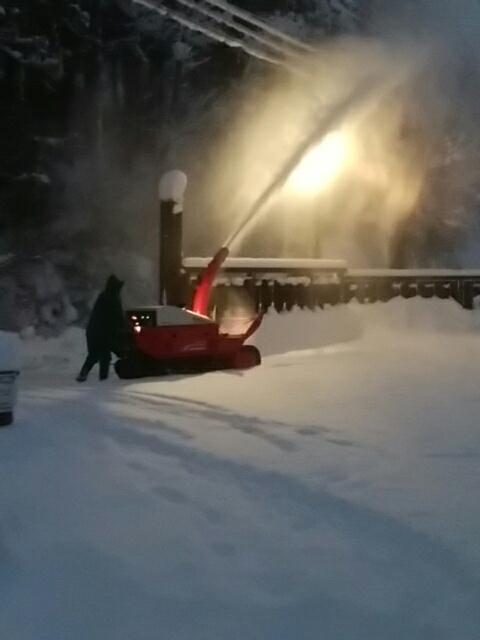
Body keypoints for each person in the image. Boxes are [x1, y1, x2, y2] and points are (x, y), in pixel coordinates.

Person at [76, 274, 125, 382]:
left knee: (94, 355)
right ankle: (103, 380)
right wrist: (126, 327)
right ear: (115, 287)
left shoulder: (103, 296)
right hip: (103, 334)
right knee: (104, 357)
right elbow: (118, 316)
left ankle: (83, 374)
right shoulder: (112, 298)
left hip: (93, 332)